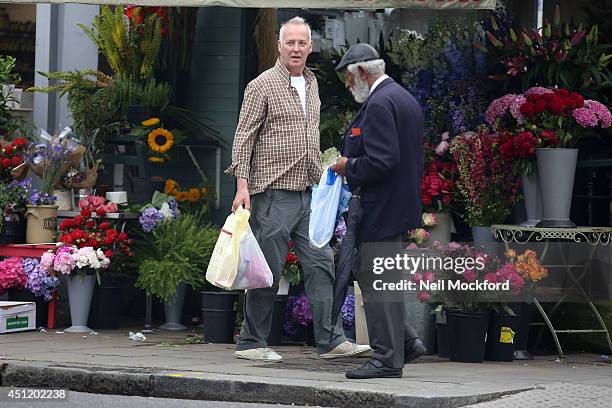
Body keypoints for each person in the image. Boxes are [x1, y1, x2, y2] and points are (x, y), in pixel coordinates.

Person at [226, 17, 370, 363]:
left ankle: (331, 340)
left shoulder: (313, 83)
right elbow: (243, 138)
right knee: (268, 271)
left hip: (308, 192)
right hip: (273, 193)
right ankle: (251, 342)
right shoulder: (261, 85)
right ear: (279, 46)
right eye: (289, 42)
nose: (296, 48)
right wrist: (242, 186)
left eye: (302, 43)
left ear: (310, 47)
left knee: (321, 263)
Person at [331, 43, 426, 379]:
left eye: (347, 76)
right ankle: (406, 342)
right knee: (371, 275)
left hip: (382, 208)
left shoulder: (381, 102)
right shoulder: (400, 96)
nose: (346, 84)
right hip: (394, 206)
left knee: (378, 281)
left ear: (361, 71)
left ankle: (387, 358)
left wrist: (346, 166)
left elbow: (383, 161)